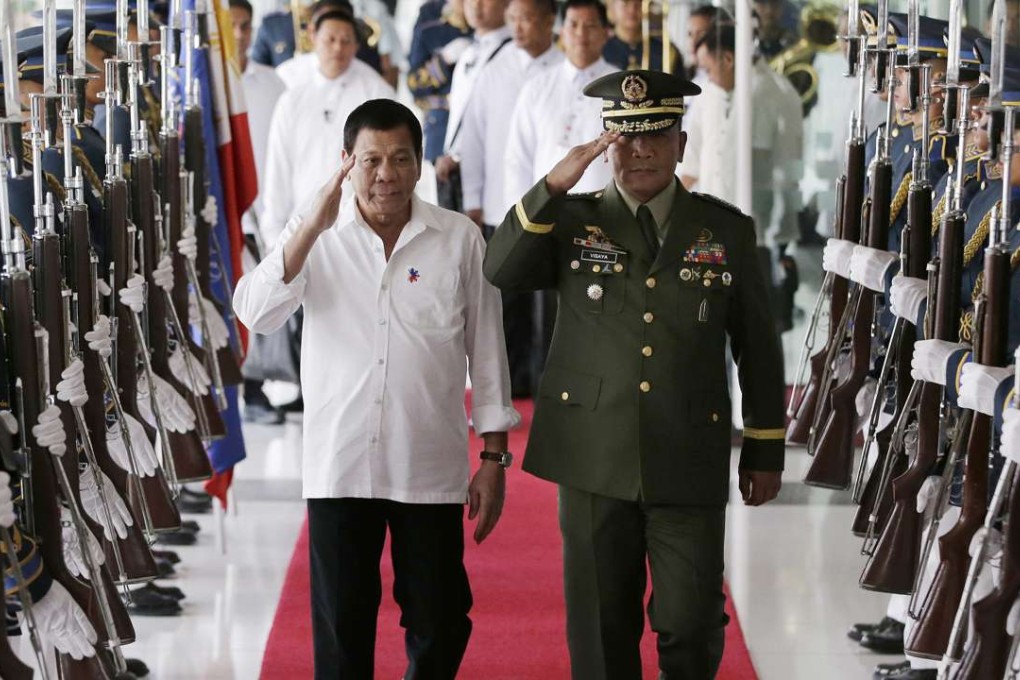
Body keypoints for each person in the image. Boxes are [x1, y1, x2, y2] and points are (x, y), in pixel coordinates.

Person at [485, 69, 786, 679]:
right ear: (605, 143)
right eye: (624, 138)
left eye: (656, 135)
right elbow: (501, 268)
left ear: (681, 139)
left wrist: (764, 447)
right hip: (593, 453)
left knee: (692, 620)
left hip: (688, 451)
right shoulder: (570, 220)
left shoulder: (725, 229)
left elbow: (757, 345)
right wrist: (551, 184)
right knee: (601, 627)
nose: (640, 149)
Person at [233, 99, 518, 679]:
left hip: (428, 466)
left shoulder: (459, 239)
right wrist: (310, 226)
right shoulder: (315, 234)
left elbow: (487, 350)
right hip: (339, 466)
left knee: (441, 619)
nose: (385, 173)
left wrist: (492, 457)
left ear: (419, 165)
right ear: (346, 163)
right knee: (342, 629)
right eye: (370, 160)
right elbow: (254, 312)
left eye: (400, 158)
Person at [260, 7, 394, 249]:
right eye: (330, 39)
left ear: (356, 45)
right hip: (299, 226)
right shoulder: (292, 95)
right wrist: (273, 235)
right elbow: (278, 167)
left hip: (362, 230)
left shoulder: (376, 91)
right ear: (313, 38)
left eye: (346, 41)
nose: (337, 48)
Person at [229, 0, 289, 426]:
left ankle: (259, 386)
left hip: (269, 206)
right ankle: (239, 389)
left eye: (246, 27)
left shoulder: (273, 83)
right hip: (228, 213)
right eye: (230, 27)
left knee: (268, 298)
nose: (239, 36)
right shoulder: (202, 82)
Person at [504, 0, 617, 203]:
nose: (581, 34)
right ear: (562, 32)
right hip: (547, 211)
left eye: (590, 25)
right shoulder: (536, 88)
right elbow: (518, 160)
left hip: (607, 211)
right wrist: (519, 218)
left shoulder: (619, 87)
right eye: (573, 25)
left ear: (605, 32)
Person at [433, 0, 512, 210]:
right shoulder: (468, 52)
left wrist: (460, 156)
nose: (475, 6)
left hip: (490, 174)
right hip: (457, 169)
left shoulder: (513, 55)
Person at [406, 0, 472, 165]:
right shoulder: (429, 20)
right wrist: (444, 60)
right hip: (442, 129)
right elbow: (414, 85)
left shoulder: (493, 16)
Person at [602, 0, 682, 72]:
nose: (632, 9)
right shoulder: (599, 49)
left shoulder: (666, 52)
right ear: (611, 6)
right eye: (625, 2)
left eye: (640, 2)